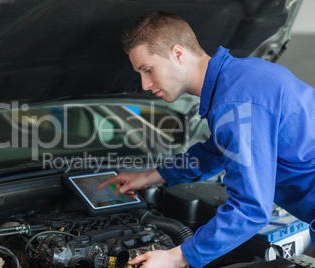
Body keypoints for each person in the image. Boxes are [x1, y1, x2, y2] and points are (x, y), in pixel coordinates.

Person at [96, 11, 315, 268]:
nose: (144, 84)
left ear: (178, 53)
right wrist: (151, 175)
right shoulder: (239, 78)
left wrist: (178, 257)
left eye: (148, 69)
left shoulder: (235, 102)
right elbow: (217, 150)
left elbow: (250, 210)